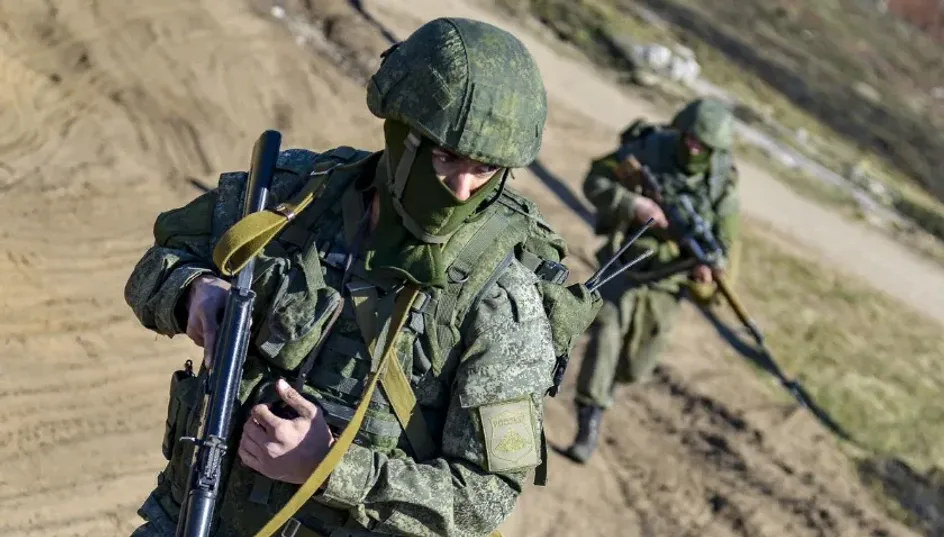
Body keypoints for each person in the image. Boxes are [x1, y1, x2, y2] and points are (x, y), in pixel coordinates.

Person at [124, 17, 599, 537]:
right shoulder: (297, 195)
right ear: (400, 130)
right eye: (445, 156)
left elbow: (484, 498)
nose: (462, 189)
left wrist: (329, 466)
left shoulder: (502, 300)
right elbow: (157, 263)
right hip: (191, 518)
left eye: (484, 169)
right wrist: (192, 292)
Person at [563, 98, 741, 464]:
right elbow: (595, 181)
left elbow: (724, 245)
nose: (692, 146)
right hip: (626, 262)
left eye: (702, 144)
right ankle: (589, 417)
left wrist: (705, 269)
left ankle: (604, 392)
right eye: (689, 137)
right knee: (608, 330)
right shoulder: (649, 149)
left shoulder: (722, 186)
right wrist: (633, 205)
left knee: (636, 366)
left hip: (667, 282)